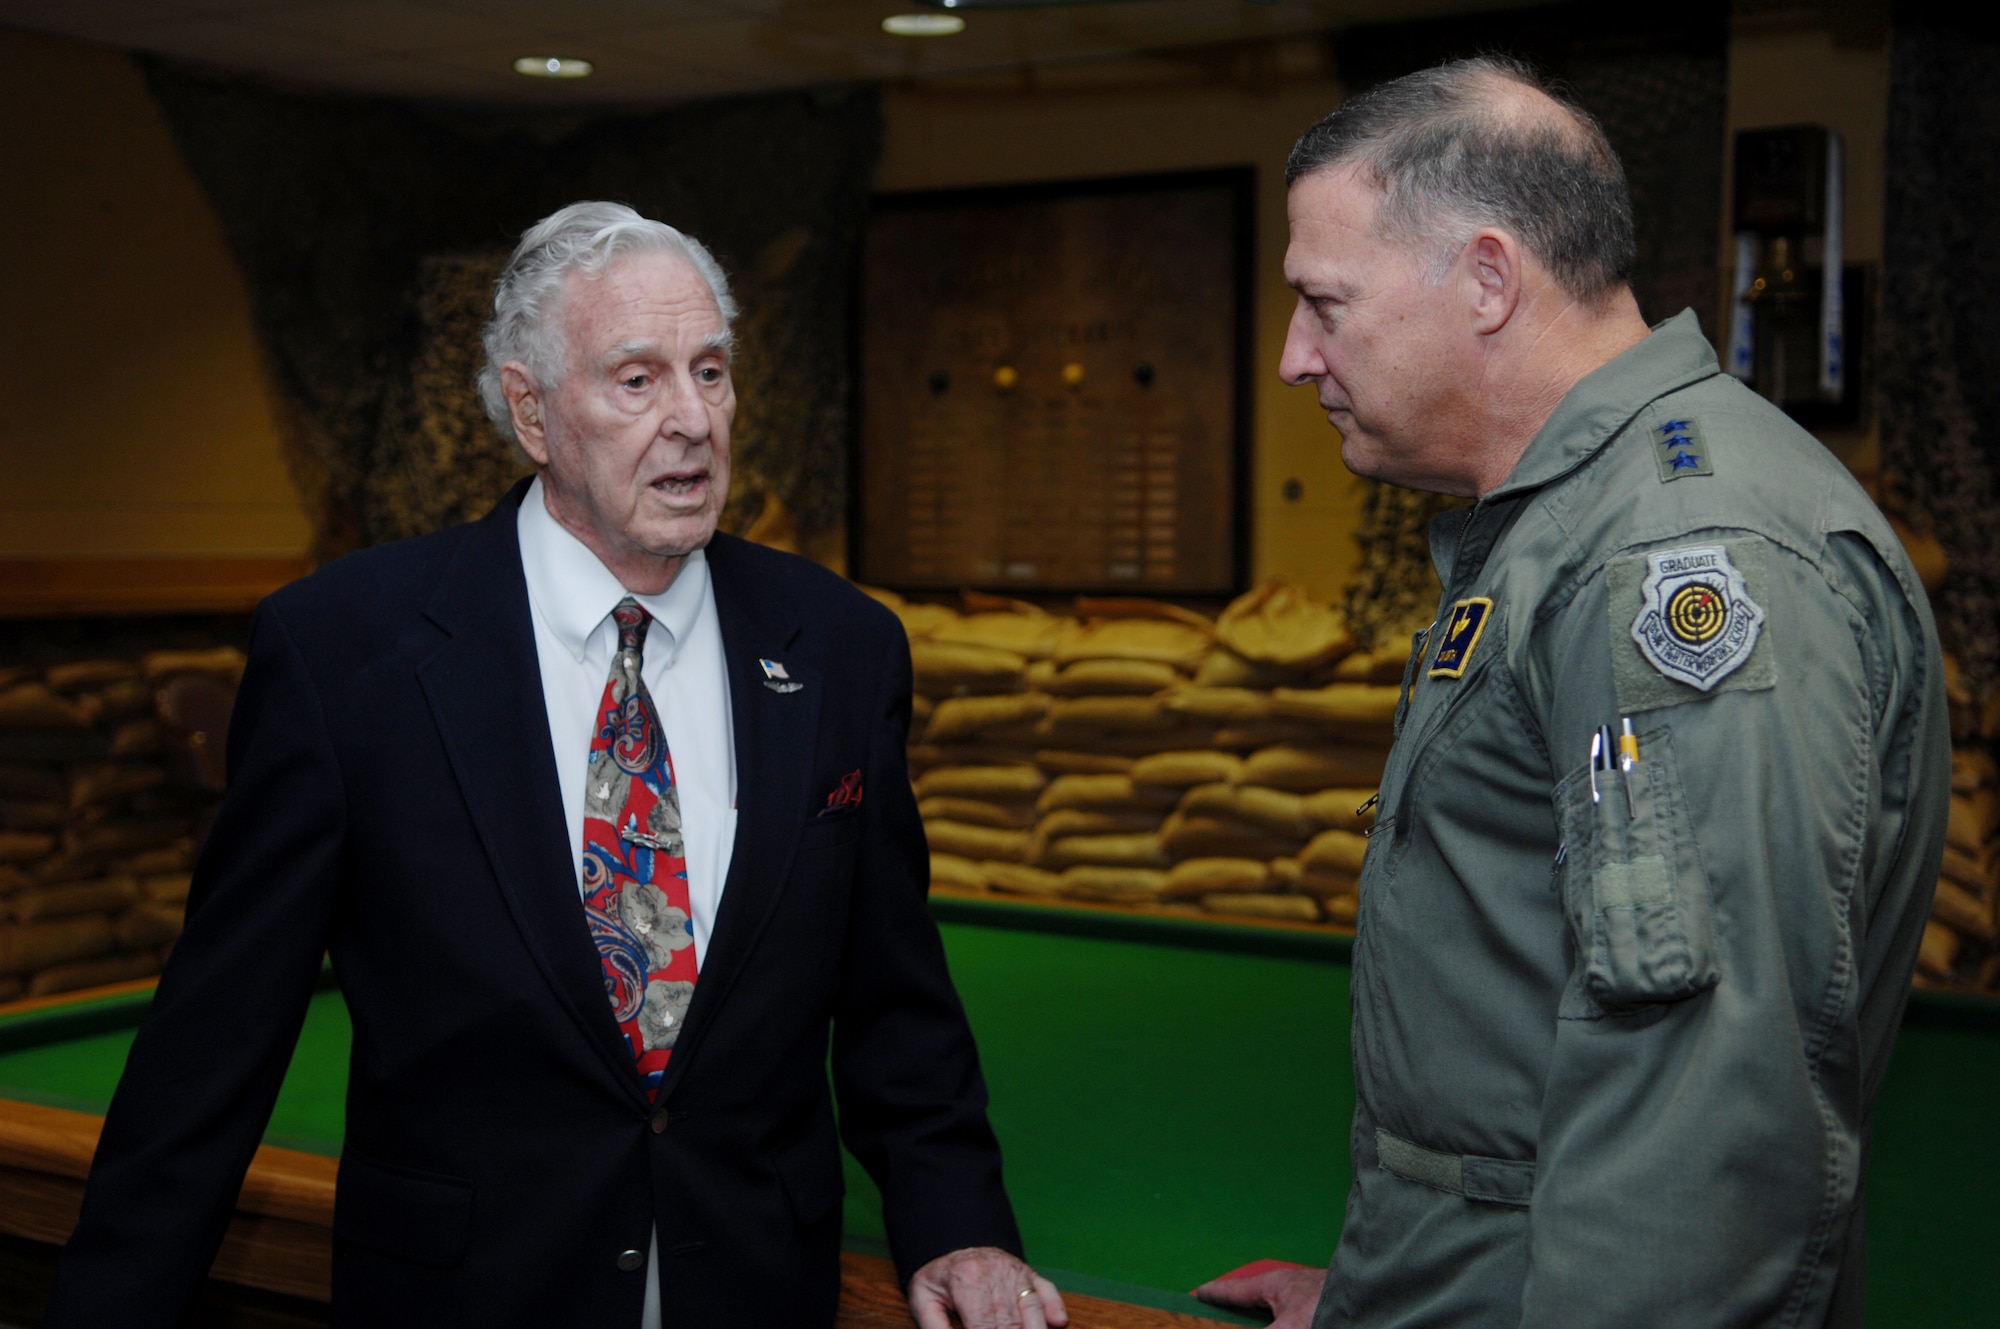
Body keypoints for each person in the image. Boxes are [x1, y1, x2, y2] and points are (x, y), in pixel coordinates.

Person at [45, 202, 1066, 1329]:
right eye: (637, 380)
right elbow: (215, 1043)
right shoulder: (346, 652)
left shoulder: (838, 645)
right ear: (529, 409)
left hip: (754, 1283)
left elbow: (893, 1001)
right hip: (469, 1293)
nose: (692, 421)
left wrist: (958, 1219)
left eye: (711, 371)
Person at [1197, 57, 1948, 1329]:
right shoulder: (1578, 523)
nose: (1291, 357)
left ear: (1486, 279)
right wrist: (1391, 1291)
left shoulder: (1667, 556)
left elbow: (1705, 1125)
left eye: (1324, 303)